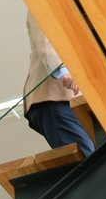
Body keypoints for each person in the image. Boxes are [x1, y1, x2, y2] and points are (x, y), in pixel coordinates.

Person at [24, 10, 95, 156]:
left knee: (94, 157)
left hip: (76, 100)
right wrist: (63, 72)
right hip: (55, 96)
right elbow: (45, 38)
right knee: (90, 159)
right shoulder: (43, 0)